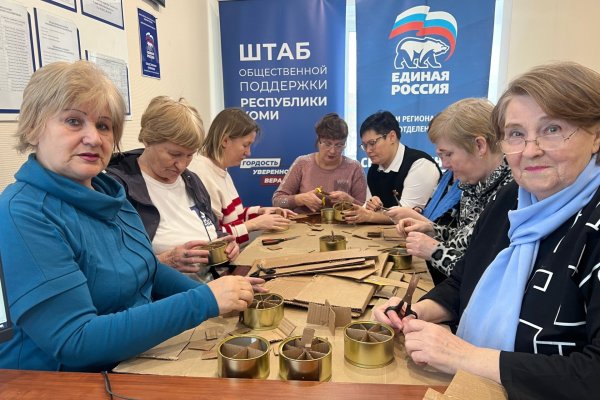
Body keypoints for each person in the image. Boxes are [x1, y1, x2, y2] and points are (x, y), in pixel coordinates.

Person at [0, 61, 264, 372]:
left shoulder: (110, 194)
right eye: (73, 121)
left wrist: (220, 294)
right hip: (63, 382)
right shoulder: (23, 212)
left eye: (103, 126)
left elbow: (148, 270)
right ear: (33, 128)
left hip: (132, 359)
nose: (94, 138)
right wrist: (204, 301)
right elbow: (75, 341)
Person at [373, 61, 600, 399]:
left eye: (553, 129)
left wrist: (463, 356)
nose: (531, 150)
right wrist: (415, 311)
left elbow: (592, 374)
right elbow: (463, 282)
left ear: (596, 135)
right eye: (516, 134)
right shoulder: (511, 198)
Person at [106, 96, 238, 282]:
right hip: (163, 295)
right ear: (148, 141)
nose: (182, 165)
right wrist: (163, 262)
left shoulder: (191, 181)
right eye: (174, 154)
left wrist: (225, 243)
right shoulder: (116, 188)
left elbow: (212, 229)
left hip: (209, 285)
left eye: (190, 155)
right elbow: (112, 268)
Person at [395, 98, 513, 281]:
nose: (444, 164)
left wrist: (435, 251)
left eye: (448, 154)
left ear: (480, 146)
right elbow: (467, 240)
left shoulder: (511, 195)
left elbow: (486, 275)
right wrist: (432, 230)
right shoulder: (473, 184)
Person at [189, 108, 294, 244]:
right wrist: (254, 224)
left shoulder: (220, 170)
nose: (248, 153)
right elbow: (213, 237)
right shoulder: (200, 174)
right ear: (225, 140)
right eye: (245, 145)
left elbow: (232, 218)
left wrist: (260, 212)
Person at [342, 110, 440, 224]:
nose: (368, 150)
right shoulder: (374, 168)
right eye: (364, 145)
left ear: (392, 137)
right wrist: (370, 206)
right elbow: (367, 207)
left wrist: (370, 215)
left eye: (372, 143)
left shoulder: (420, 165)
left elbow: (406, 215)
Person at [271, 113, 367, 213]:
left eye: (339, 145)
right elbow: (277, 201)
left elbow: (364, 209)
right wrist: (300, 199)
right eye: (327, 144)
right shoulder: (302, 163)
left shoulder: (354, 167)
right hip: (303, 221)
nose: (332, 151)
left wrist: (349, 201)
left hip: (342, 222)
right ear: (318, 141)